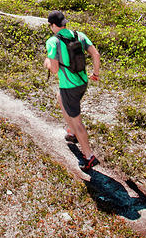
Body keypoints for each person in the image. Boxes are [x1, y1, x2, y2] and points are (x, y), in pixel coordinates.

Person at [44, 10, 101, 171]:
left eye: (50, 25)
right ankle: (71, 131)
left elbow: (54, 70)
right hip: (82, 82)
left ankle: (88, 156)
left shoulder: (53, 41)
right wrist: (95, 74)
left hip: (69, 86)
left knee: (77, 121)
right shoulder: (79, 35)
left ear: (54, 25)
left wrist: (47, 62)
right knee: (59, 97)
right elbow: (95, 55)